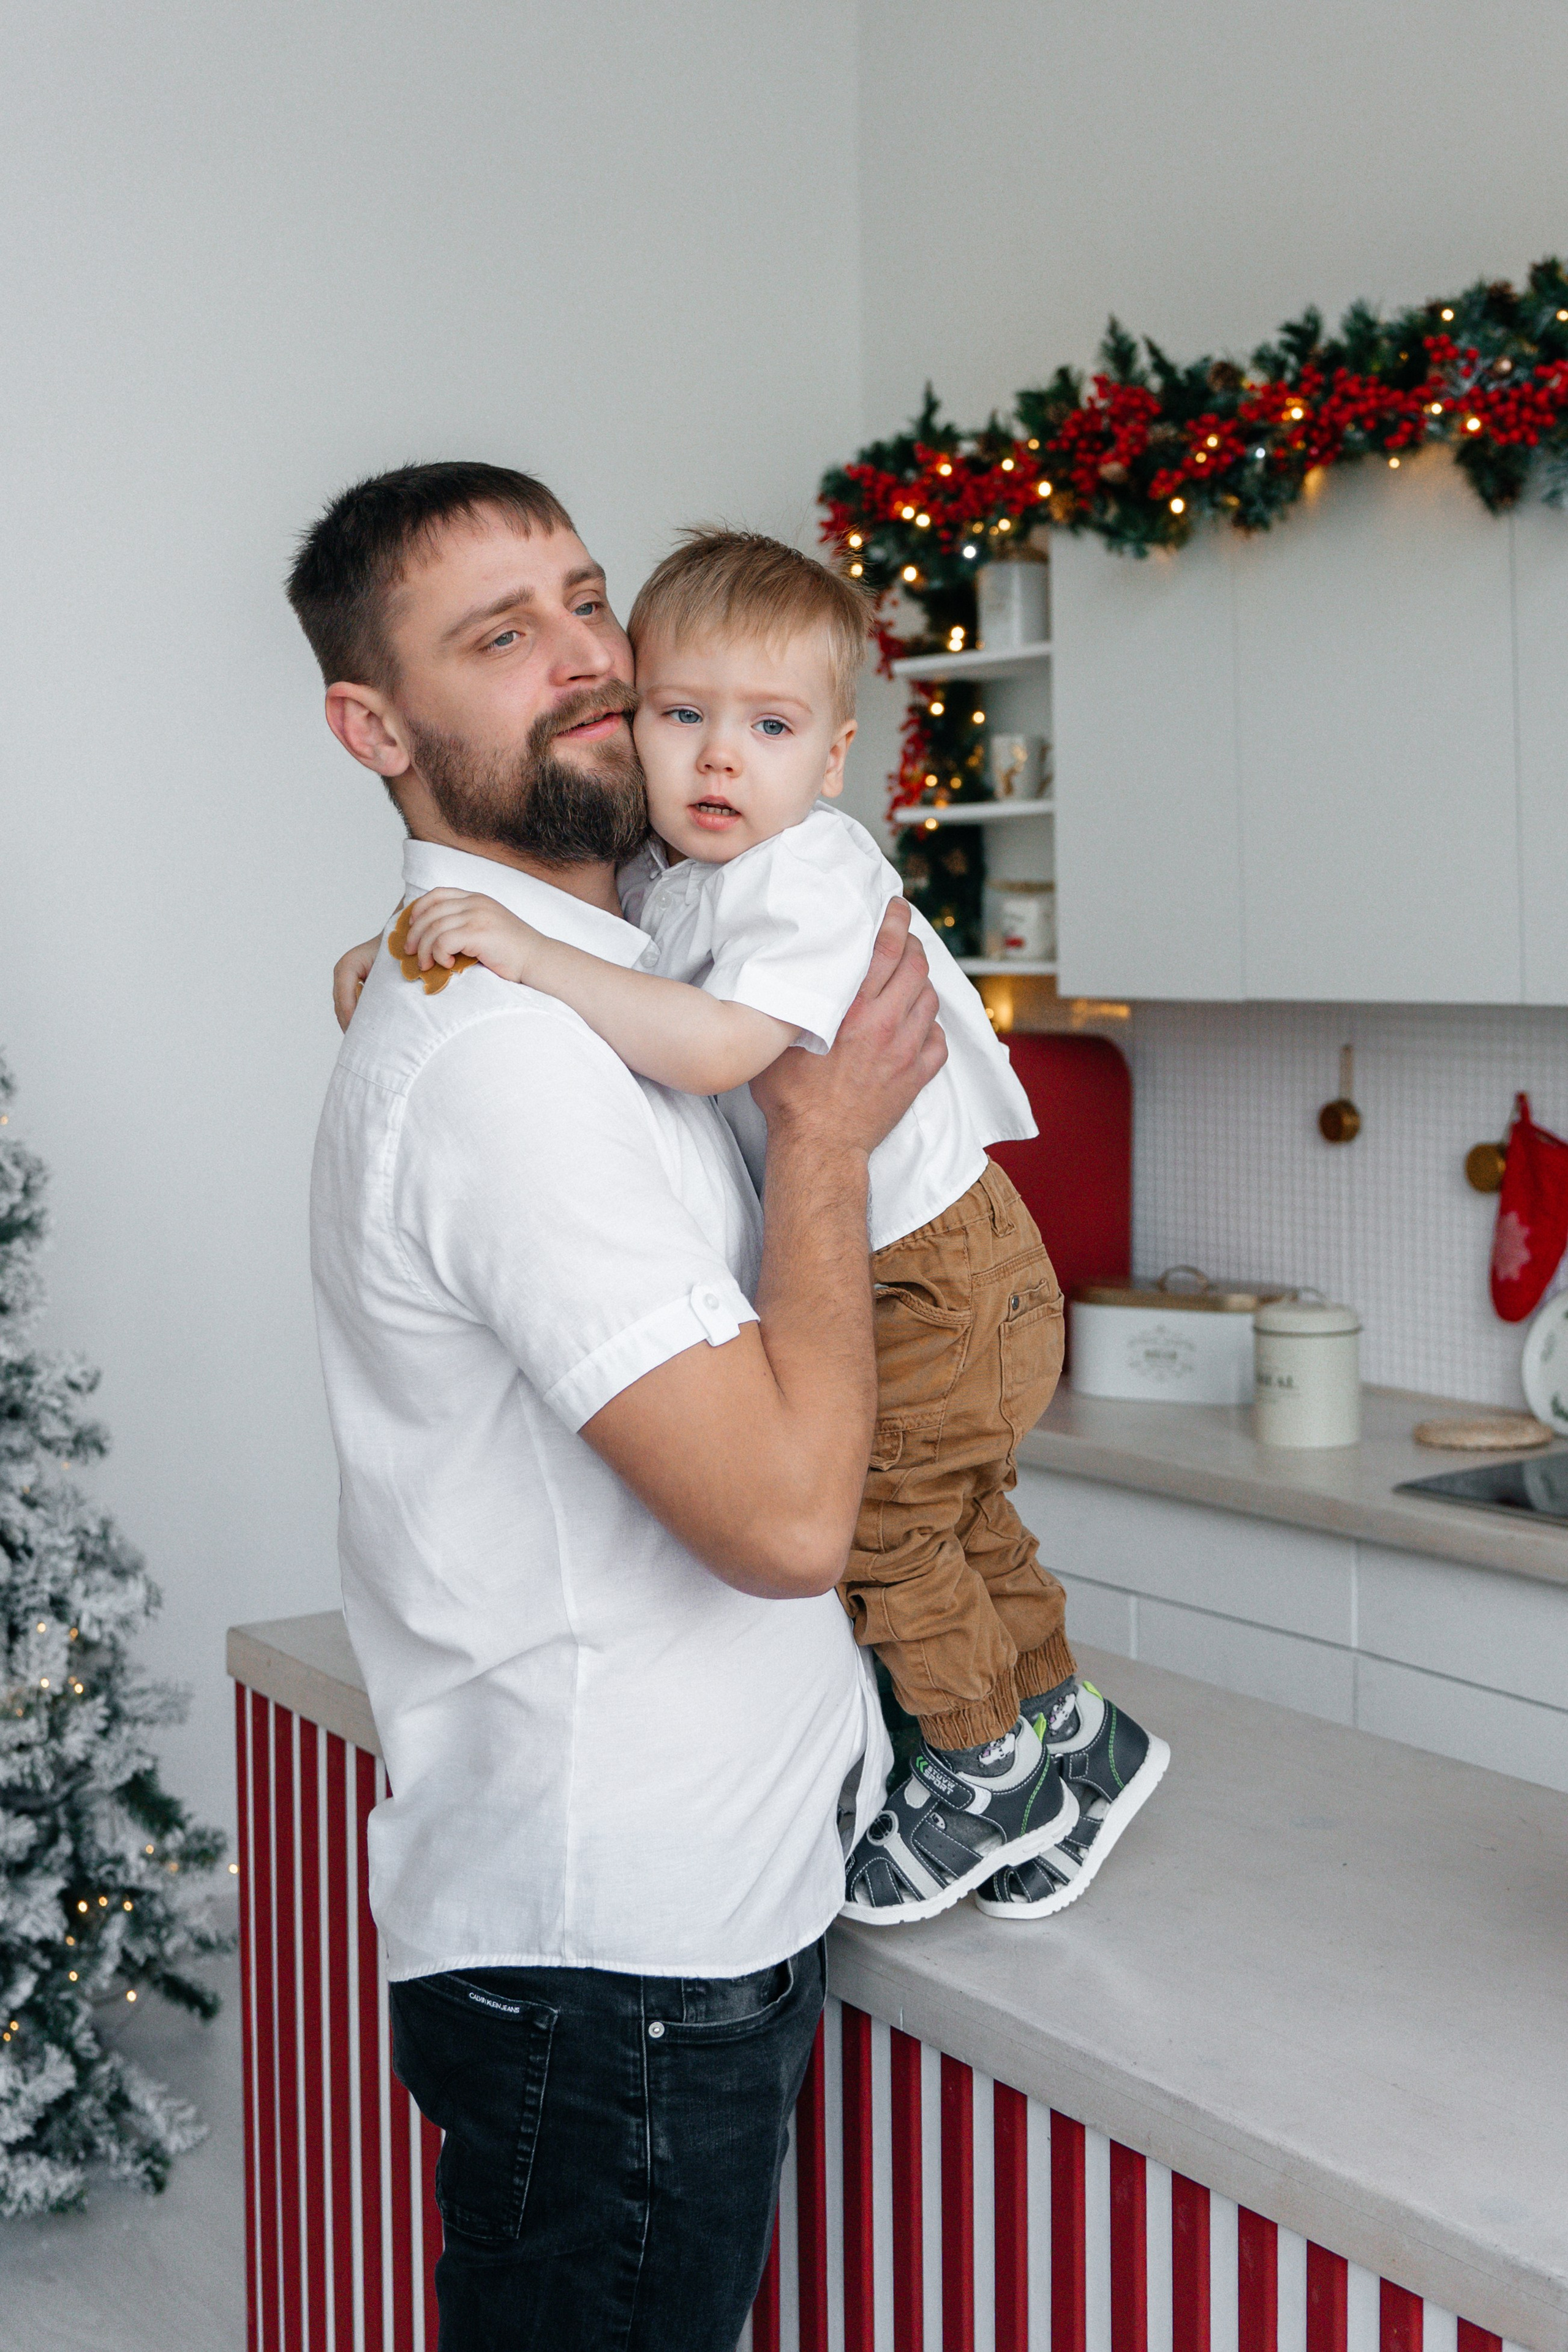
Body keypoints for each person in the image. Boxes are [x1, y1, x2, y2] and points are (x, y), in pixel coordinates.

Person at [291, 461, 947, 2352]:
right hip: (619, 1967)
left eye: (589, 599)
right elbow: (778, 1523)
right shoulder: (513, 1062)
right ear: (376, 725)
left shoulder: (640, 953)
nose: (589, 659)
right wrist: (823, 1145)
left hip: (656, 1922)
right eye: (503, 638)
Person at [351, 526, 1169, 1930]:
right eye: (682, 718)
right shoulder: (683, 878)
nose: (719, 762)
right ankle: (1068, 1729)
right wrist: (416, 944)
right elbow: (622, 972)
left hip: (929, 1267)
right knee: (959, 1514)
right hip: (940, 1257)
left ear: (833, 755)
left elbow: (721, 1048)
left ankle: (986, 1771)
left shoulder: (804, 874)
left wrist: (521, 953)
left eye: (768, 729)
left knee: (884, 1524)